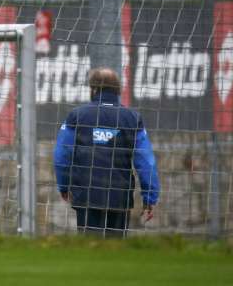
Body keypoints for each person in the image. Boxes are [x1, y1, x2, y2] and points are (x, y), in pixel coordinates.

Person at [53, 67, 160, 237]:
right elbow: (146, 162)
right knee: (115, 252)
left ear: (93, 89)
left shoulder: (77, 115)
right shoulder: (132, 118)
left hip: (86, 195)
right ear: (118, 90)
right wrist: (150, 198)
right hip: (119, 196)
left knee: (89, 248)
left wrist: (64, 185)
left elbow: (61, 156)